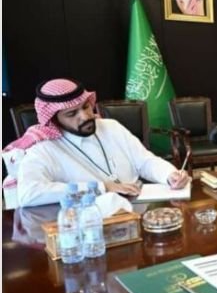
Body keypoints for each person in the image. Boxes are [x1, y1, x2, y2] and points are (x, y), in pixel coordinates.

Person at [6, 78, 190, 208]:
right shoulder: (43, 148)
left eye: (86, 107)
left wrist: (169, 174)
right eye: (72, 114)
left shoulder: (111, 127)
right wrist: (102, 187)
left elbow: (145, 161)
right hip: (91, 221)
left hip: (137, 210)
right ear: (53, 119)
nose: (85, 116)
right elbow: (29, 193)